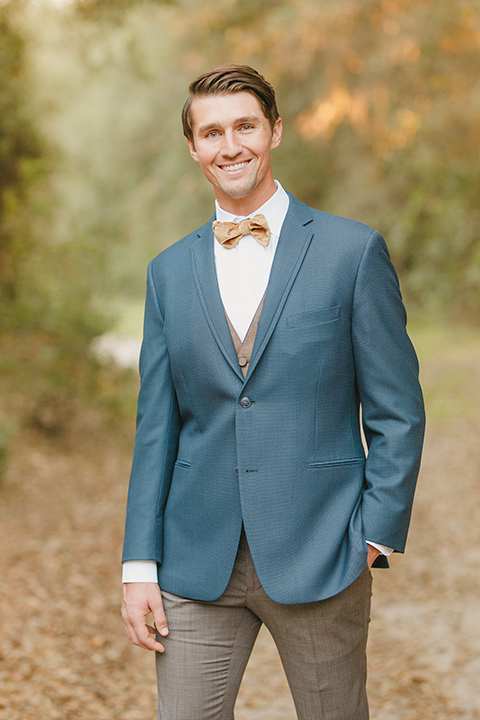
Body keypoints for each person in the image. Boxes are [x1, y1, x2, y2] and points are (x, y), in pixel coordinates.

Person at [121, 64, 425, 720]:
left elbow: (398, 410)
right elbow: (156, 428)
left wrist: (375, 532)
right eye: (211, 133)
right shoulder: (168, 273)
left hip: (322, 551)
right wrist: (138, 565)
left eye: (244, 126)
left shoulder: (352, 252)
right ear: (194, 148)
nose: (229, 146)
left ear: (275, 130)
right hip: (194, 560)